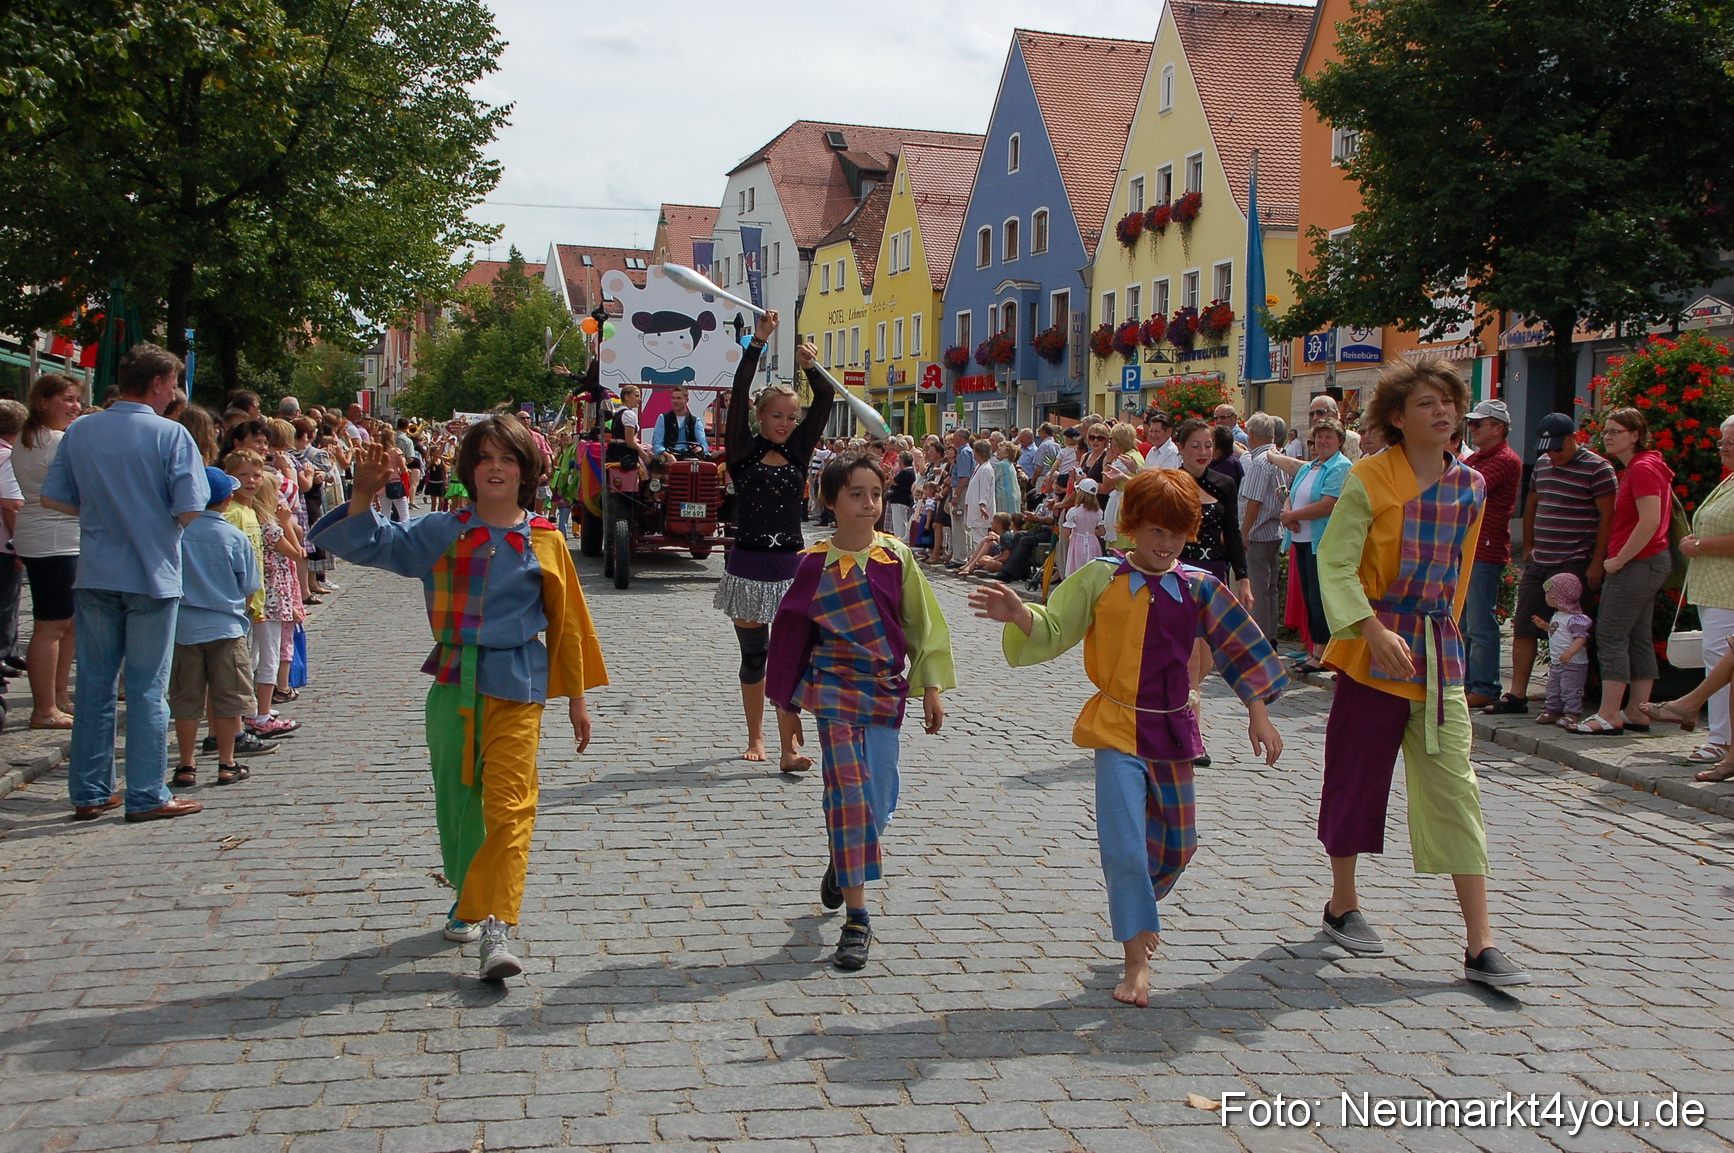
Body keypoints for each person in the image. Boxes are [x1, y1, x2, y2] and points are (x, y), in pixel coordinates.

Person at [969, 469, 1284, 1006]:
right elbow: (1057, 626)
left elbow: (1238, 646)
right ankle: (1136, 959)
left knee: (1179, 846)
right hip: (1116, 727)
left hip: (1174, 730)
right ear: (1132, 527)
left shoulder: (1200, 586)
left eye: (1176, 533)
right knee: (1123, 847)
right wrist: (1020, 613)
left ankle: (1136, 903)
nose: (1165, 543)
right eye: (1155, 531)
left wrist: (1258, 711)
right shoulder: (1100, 577)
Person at [311, 428, 607, 981]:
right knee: (458, 805)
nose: (496, 468)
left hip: (518, 685)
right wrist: (363, 494)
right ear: (469, 469)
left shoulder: (546, 540)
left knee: (511, 806)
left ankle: (497, 925)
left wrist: (577, 699)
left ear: (526, 471)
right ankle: (468, 893)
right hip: (453, 683)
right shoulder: (442, 531)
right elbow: (371, 544)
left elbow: (568, 624)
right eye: (485, 458)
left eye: (508, 459)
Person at [1312, 360, 1529, 987]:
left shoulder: (1472, 486)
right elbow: (1336, 562)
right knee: (1356, 776)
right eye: (1426, 403)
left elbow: (1460, 572)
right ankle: (1343, 903)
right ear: (1398, 418)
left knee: (1456, 789)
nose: (1442, 412)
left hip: (1435, 656)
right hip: (1372, 652)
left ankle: (1480, 942)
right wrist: (1370, 629)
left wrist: (1446, 637)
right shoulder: (1369, 477)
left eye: (1448, 402)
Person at [766, 454, 953, 971]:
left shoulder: (897, 557)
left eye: (876, 493)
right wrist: (787, 711)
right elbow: (790, 640)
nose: (869, 504)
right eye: (855, 494)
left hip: (884, 691)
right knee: (848, 795)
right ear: (829, 501)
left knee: (879, 801)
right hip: (832, 692)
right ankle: (857, 918)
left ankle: (841, 859)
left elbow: (923, 624)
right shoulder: (810, 565)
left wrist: (931, 686)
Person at [40, 343, 209, 823]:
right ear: (156, 384)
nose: (174, 393)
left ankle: (90, 791)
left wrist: (101, 513)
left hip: (96, 571)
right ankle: (147, 793)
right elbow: (190, 508)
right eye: (172, 384)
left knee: (94, 686)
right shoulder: (171, 434)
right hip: (151, 574)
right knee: (146, 688)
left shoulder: (82, 430)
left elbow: (54, 498)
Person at [714, 311, 834, 773]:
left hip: (790, 568)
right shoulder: (742, 451)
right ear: (760, 416)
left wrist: (810, 366)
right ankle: (756, 735)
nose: (785, 423)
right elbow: (739, 388)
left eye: (791, 417)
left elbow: (824, 398)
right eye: (777, 415)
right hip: (748, 567)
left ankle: (789, 749)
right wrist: (758, 342)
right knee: (755, 657)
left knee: (792, 657)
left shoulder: (799, 451)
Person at [1483, 412, 1616, 715]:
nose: (1553, 454)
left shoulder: (1597, 468)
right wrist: (1529, 545)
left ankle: (1569, 697)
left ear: (1573, 438)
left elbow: (1608, 516)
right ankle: (1517, 694)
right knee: (1525, 622)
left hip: (1574, 560)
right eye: (1548, 449)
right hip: (1541, 559)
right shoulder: (1543, 465)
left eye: (1558, 447)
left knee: (1570, 629)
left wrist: (1597, 561)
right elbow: (1532, 504)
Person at [1566, 407, 1674, 735]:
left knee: (1611, 633)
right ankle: (1638, 711)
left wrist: (1619, 560)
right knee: (1638, 636)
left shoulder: (1642, 468)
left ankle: (1609, 714)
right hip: (1647, 562)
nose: (1608, 437)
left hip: (1637, 563)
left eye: (1616, 431)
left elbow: (1650, 521)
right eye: (1606, 431)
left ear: (1635, 435)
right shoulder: (1645, 465)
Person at [169, 468, 264, 788]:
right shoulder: (233, 537)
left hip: (184, 627)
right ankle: (227, 762)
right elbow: (249, 585)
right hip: (226, 627)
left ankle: (186, 764)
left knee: (186, 700)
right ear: (227, 500)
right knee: (228, 699)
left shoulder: (179, 533)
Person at [1659, 416, 1734, 765]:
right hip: (1714, 585)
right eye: (1721, 441)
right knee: (1716, 661)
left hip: (1728, 590)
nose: (1723, 448)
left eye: (1730, 442)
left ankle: (1720, 739)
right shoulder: (1729, 479)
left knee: (1721, 663)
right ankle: (1720, 736)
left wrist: (1700, 544)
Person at [13, 374, 83, 729]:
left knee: (66, 623)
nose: (75, 406)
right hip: (56, 539)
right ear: (43, 402)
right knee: (51, 625)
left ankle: (58, 697)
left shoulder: (32, 437)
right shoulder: (54, 440)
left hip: (52, 535)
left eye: (77, 400)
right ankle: (44, 708)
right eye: (67, 399)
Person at [1459, 400, 1522, 709]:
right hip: (1469, 546)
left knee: (1480, 622)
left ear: (1498, 428)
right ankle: (1468, 682)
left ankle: (1485, 686)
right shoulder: (1480, 457)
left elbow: (1465, 488)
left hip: (1485, 548)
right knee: (1464, 622)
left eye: (1477, 424)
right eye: (1470, 423)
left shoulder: (1504, 460)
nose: (1471, 429)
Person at [1280, 419, 1352, 675]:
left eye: (1328, 437)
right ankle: (1314, 650)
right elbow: (1291, 494)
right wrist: (1288, 514)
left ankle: (1322, 654)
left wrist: (1293, 515)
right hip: (1302, 541)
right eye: (1319, 436)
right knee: (1309, 597)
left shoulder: (1340, 466)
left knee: (1320, 598)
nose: (1322, 441)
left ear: (1339, 441)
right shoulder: (1311, 466)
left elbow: (1328, 504)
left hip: (1322, 543)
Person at [1174, 420, 1250, 604]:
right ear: (1181, 448)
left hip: (1214, 569)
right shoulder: (1170, 483)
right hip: (1178, 569)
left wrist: (1243, 580)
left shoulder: (1224, 484)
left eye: (1208, 446)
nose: (1203, 452)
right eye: (1195, 446)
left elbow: (1232, 532)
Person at [1239, 413, 1288, 642]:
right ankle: (1271, 635)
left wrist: (1244, 532)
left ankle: (1259, 640)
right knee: (1270, 589)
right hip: (1274, 531)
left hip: (1258, 534)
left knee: (1257, 589)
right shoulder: (1279, 457)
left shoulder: (1259, 462)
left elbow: (1254, 501)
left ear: (1250, 434)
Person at [1533, 572, 1592, 727]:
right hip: (1557, 662)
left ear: (1560, 598)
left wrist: (1570, 652)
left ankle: (1573, 713)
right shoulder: (1558, 616)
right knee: (1553, 688)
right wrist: (1545, 626)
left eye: (1549, 594)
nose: (1546, 597)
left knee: (1570, 689)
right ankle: (1553, 710)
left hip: (1573, 663)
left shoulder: (1575, 618)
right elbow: (1557, 632)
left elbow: (1581, 637)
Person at [651, 385, 709, 462]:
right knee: (658, 461)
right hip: (668, 454)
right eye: (673, 398)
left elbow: (703, 444)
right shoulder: (663, 418)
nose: (675, 401)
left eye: (678, 398)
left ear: (686, 400)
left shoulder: (695, 421)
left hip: (689, 455)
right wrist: (667, 455)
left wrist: (700, 448)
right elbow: (657, 444)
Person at [962, 439, 997, 560]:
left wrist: (982, 504)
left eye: (975, 451)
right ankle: (974, 559)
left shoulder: (986, 469)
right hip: (974, 506)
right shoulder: (979, 467)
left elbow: (984, 489)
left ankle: (979, 561)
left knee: (979, 537)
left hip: (981, 509)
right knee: (975, 536)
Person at [1061, 479, 1103, 577]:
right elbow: (1102, 531)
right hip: (1093, 543)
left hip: (1077, 542)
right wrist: (1091, 533)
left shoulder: (1074, 511)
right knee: (1091, 570)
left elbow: (1066, 533)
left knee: (1077, 569)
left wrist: (1072, 538)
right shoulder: (1098, 512)